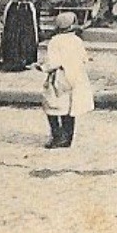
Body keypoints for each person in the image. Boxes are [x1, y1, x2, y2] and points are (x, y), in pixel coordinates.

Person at [38, 13, 94, 149]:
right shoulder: (76, 40)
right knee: (70, 107)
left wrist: (42, 67)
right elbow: (84, 58)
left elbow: (54, 62)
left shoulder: (55, 41)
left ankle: (57, 135)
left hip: (60, 76)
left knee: (52, 105)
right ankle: (68, 137)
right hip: (75, 76)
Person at [0, 0, 50, 71]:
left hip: (14, 9)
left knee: (12, 33)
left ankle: (12, 59)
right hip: (27, 10)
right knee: (28, 33)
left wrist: (0, 11)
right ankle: (27, 59)